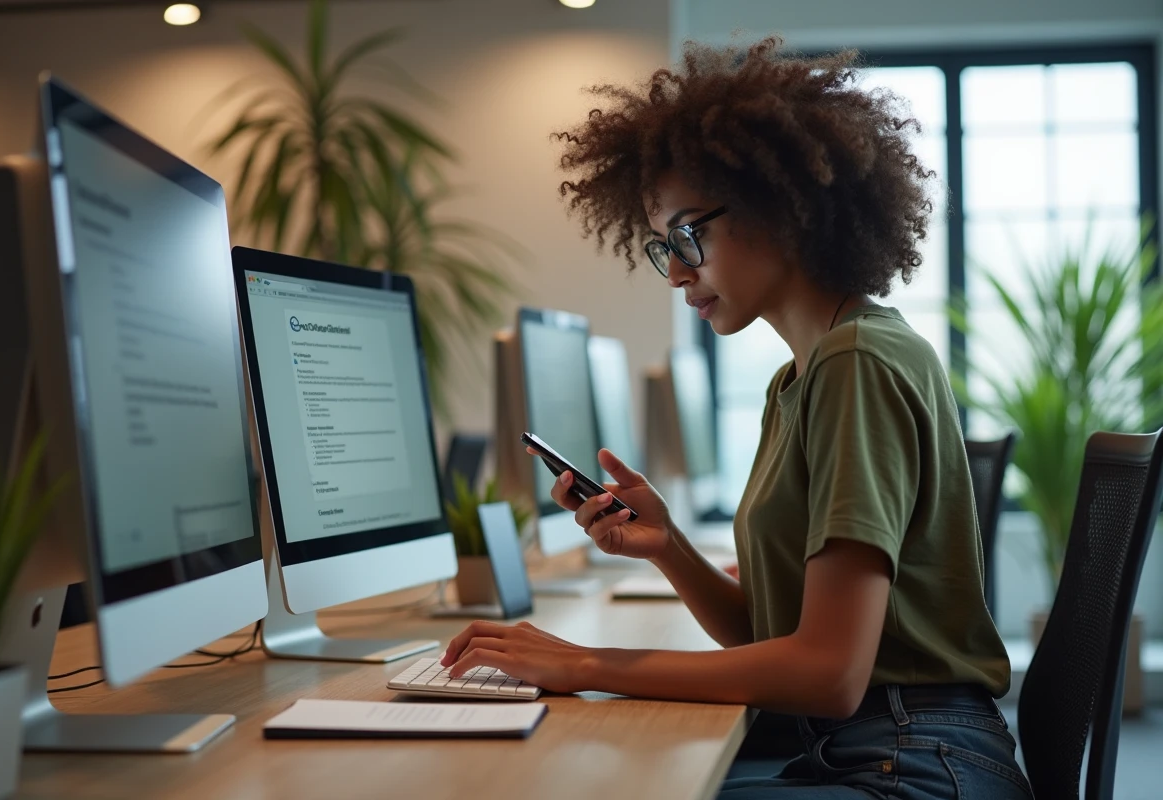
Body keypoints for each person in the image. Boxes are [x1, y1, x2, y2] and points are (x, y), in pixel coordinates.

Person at [441, 38, 1031, 799]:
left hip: (914, 764)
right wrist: (670, 550)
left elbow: (829, 674)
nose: (679, 271)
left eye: (691, 234)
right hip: (875, 750)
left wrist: (582, 664)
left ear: (782, 207)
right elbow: (776, 643)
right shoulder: (803, 376)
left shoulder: (858, 363)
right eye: (664, 247)